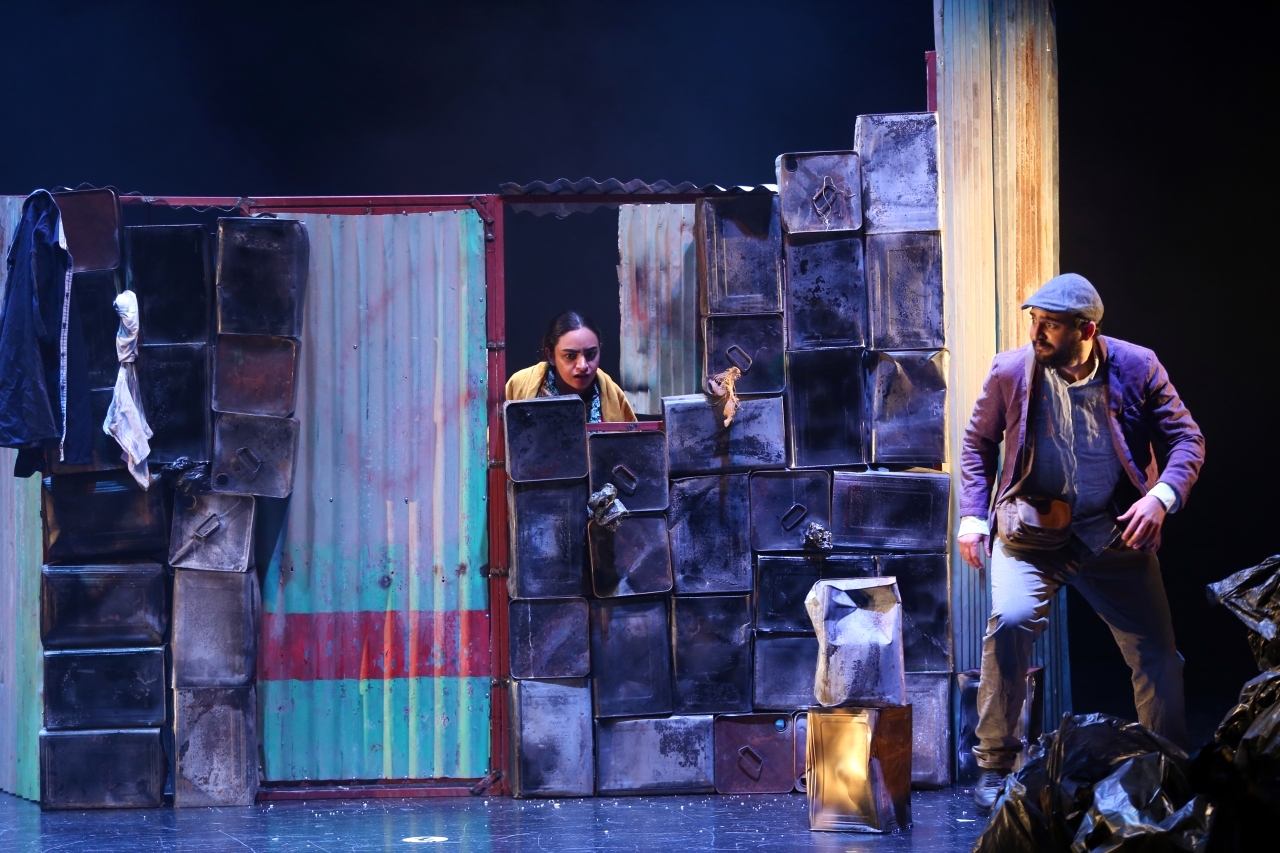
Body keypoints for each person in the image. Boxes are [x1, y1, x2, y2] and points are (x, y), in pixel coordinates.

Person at [958, 273, 1205, 814]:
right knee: (1011, 622)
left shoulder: (1138, 366)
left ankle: (1168, 768)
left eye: (1050, 325)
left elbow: (1187, 437)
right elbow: (978, 443)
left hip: (1112, 533)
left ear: (1086, 330)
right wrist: (973, 519)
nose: (1036, 333)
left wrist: (1161, 497)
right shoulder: (1011, 371)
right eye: (1034, 321)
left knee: (1159, 657)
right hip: (1031, 534)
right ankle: (996, 762)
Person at [505, 310, 636, 423]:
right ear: (551, 356)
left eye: (591, 354)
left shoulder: (612, 393)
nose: (582, 366)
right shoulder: (520, 384)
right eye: (570, 356)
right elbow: (498, 439)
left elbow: (631, 442)